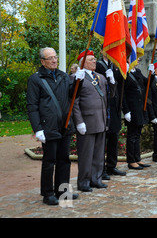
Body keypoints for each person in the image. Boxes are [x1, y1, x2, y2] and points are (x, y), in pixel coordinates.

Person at [27, 47, 80, 205]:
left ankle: (63, 191)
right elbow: (32, 106)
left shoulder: (63, 76)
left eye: (55, 57)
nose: (54, 60)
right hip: (48, 126)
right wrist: (37, 129)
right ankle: (48, 193)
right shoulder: (35, 79)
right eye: (50, 58)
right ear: (42, 61)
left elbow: (73, 94)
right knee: (49, 161)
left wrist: (79, 81)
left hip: (64, 125)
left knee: (64, 160)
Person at [72, 50, 115, 192]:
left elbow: (110, 96)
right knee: (86, 154)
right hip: (87, 121)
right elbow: (74, 102)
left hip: (100, 120)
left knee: (98, 153)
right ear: (83, 62)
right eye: (91, 59)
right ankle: (83, 181)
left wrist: (112, 82)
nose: (94, 61)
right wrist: (79, 121)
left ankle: (96, 179)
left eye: (95, 59)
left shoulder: (101, 77)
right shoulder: (77, 77)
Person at [95, 50, 126, 178]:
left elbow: (121, 83)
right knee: (103, 140)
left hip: (115, 106)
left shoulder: (114, 65)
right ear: (102, 51)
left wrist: (124, 70)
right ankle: (101, 169)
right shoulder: (99, 65)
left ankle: (111, 166)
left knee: (114, 137)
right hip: (104, 106)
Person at [122, 63, 151, 170]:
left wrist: (151, 74)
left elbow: (147, 83)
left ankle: (137, 158)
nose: (138, 60)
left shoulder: (137, 72)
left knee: (137, 134)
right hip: (131, 109)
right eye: (135, 58)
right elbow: (123, 94)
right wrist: (125, 110)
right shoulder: (125, 73)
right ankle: (131, 160)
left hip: (140, 108)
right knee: (132, 135)